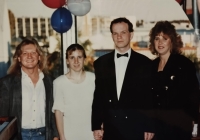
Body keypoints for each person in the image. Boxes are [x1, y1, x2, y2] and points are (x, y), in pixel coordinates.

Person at [92, 17, 155, 140]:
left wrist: (150, 126)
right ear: (112, 36)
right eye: (115, 33)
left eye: (123, 32)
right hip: (110, 129)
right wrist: (96, 125)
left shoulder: (145, 63)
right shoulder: (101, 63)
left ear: (131, 35)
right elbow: (98, 97)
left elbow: (149, 97)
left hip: (135, 128)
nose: (119, 36)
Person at [149, 21, 200, 140]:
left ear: (171, 41)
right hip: (156, 128)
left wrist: (194, 123)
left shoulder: (184, 64)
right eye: (157, 38)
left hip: (179, 127)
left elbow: (193, 95)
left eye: (164, 38)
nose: (160, 42)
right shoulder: (150, 66)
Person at [0, 38, 59, 140]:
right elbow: (3, 117)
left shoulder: (51, 82)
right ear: (19, 58)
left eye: (33, 52)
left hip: (44, 135)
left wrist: (56, 135)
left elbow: (54, 112)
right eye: (25, 53)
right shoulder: (7, 83)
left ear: (39, 57)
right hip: (19, 135)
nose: (29, 56)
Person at [52, 44, 95, 140]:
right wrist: (62, 137)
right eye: (72, 58)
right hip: (69, 135)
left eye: (79, 57)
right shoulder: (59, 83)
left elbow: (100, 107)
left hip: (91, 135)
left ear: (84, 59)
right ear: (67, 61)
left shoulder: (93, 79)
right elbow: (58, 112)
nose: (76, 61)